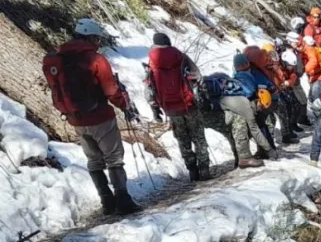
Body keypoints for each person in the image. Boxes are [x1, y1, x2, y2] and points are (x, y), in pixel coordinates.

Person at [42, 18, 142, 215]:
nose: (99, 43)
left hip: (75, 118)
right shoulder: (96, 59)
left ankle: (106, 200)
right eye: (98, 39)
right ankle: (123, 199)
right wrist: (125, 106)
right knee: (113, 158)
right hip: (100, 116)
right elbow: (110, 89)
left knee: (94, 160)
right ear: (92, 37)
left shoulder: (58, 57)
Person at [145, 33, 211, 181]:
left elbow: (149, 89)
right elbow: (197, 77)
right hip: (189, 104)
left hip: (170, 108)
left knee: (182, 139)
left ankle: (192, 170)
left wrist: (155, 109)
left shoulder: (151, 62)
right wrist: (202, 95)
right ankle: (204, 169)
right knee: (198, 136)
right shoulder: (180, 56)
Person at [197, 72, 264, 168]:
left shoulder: (209, 83)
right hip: (210, 112)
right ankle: (244, 158)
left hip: (196, 113)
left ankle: (201, 170)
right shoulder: (238, 89)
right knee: (238, 120)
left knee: (229, 130)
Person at [233, 52, 277, 150]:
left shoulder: (242, 76)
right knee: (263, 126)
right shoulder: (255, 72)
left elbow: (248, 91)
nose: (244, 66)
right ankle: (268, 148)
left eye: (244, 64)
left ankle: (266, 149)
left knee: (260, 126)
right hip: (263, 103)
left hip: (258, 104)